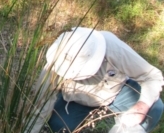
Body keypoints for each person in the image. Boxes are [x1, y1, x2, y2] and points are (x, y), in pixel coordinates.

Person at [26, 27, 164, 133]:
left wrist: (142, 106)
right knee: (58, 126)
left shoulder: (113, 47)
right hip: (76, 100)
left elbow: (152, 76)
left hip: (115, 93)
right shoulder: (57, 60)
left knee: (155, 107)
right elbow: (40, 104)